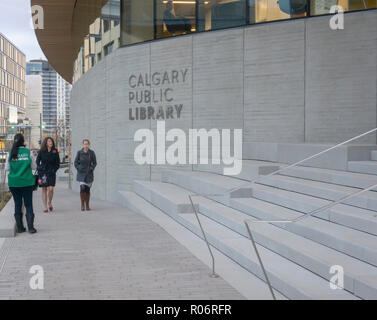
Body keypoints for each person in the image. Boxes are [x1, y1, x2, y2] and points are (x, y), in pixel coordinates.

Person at [5, 133, 37, 234]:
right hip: (27, 182)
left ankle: (20, 228)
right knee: (28, 204)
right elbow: (34, 167)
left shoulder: (10, 153)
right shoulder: (28, 153)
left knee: (17, 204)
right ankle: (31, 228)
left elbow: (7, 168)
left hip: (14, 183)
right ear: (23, 142)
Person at [36, 137, 60, 213]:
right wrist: (40, 168)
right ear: (46, 142)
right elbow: (37, 161)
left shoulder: (55, 151)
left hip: (51, 172)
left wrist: (54, 170)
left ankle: (49, 202)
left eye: (51, 141)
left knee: (51, 189)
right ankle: (45, 207)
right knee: (44, 189)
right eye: (49, 141)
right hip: (43, 173)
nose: (50, 142)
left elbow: (58, 163)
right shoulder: (42, 151)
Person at [74, 139, 97, 211]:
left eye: (87, 144)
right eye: (84, 144)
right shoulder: (79, 152)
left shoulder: (92, 153)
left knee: (87, 190)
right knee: (82, 188)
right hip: (81, 173)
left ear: (89, 145)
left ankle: (87, 205)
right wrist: (78, 168)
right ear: (82, 145)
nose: (86, 145)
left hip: (89, 173)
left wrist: (91, 168)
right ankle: (82, 205)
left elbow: (95, 162)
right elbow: (75, 162)